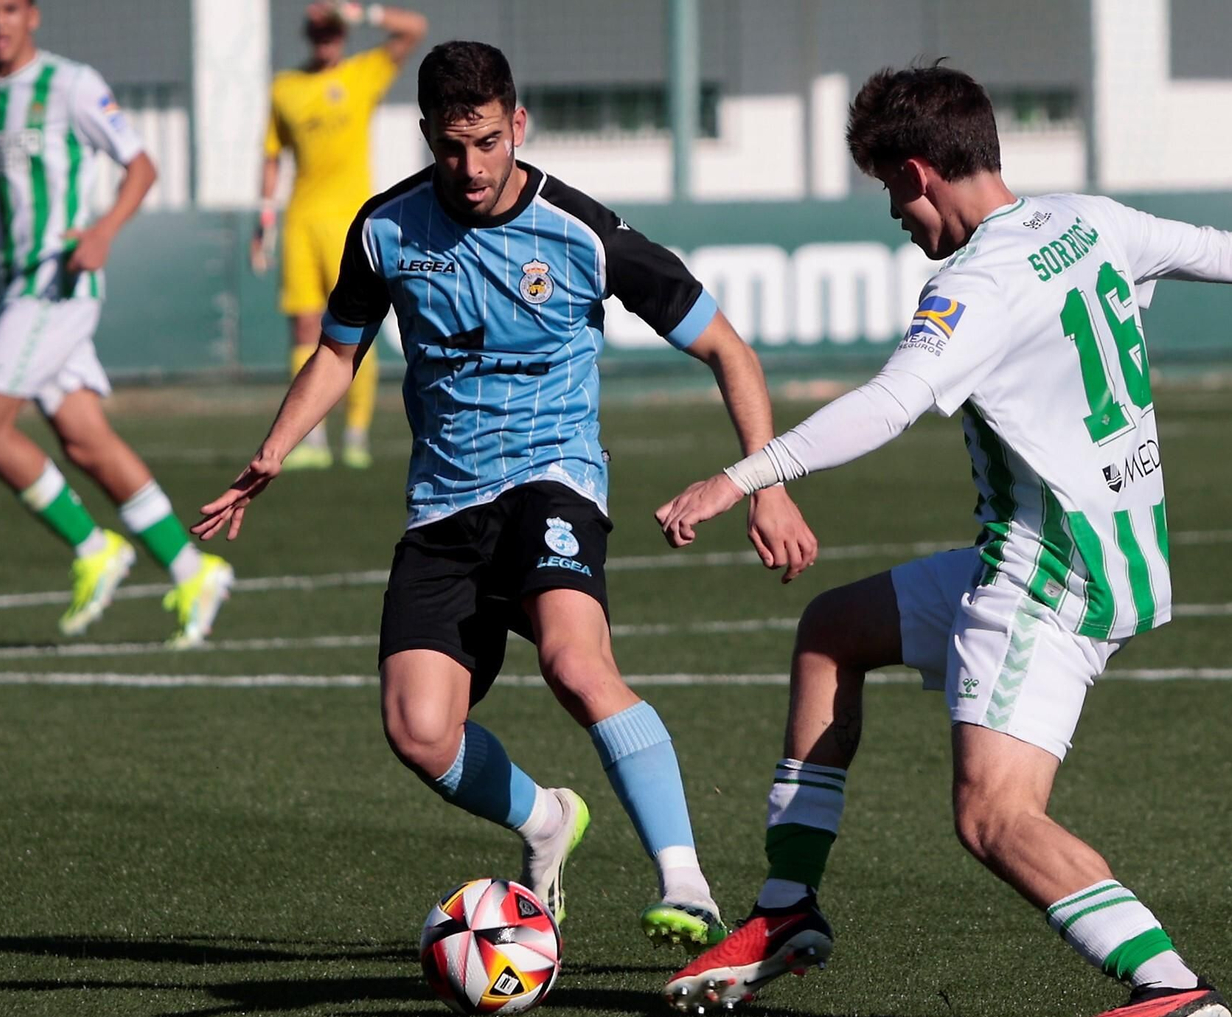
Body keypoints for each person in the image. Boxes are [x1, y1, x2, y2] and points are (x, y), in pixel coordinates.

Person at [655, 63, 1232, 1017]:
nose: (896, 217)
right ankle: (784, 911)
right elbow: (1220, 249)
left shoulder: (975, 284)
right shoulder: (1085, 219)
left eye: (891, 192)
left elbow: (891, 404)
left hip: (1049, 574)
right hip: (1112, 550)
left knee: (993, 815)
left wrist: (742, 475)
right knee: (832, 631)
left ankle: (1168, 985)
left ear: (918, 171)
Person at [194, 41, 818, 949]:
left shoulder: (579, 231)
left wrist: (766, 484)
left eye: (488, 141)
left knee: (574, 661)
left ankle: (687, 884)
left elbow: (730, 348)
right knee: (418, 728)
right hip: (444, 507)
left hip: (551, 481)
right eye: (452, 147)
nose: (472, 166)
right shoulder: (385, 229)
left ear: (517, 125)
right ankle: (544, 819)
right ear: (426, 137)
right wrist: (274, 450)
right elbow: (339, 349)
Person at [0, 0, 234, 646]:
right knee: (84, 440)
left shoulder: (71, 84)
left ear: (34, 15)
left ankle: (92, 546)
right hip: (15, 288)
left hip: (58, 284)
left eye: (9, 10)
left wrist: (104, 231)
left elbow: (142, 165)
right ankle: (194, 569)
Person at [252, 0, 428, 470]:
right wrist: (263, 219)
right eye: (319, 33)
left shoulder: (361, 73)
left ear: (342, 34)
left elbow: (414, 29)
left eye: (332, 32)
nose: (326, 40)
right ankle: (309, 438)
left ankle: (355, 432)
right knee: (305, 328)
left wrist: (358, 12)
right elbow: (271, 155)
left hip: (351, 222)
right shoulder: (285, 88)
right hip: (302, 221)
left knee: (353, 327)